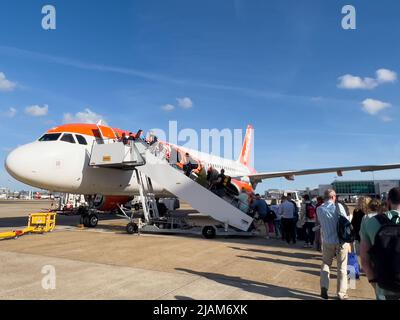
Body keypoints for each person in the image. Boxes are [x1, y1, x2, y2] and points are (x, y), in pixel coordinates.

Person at [360, 187, 400, 300]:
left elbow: (364, 261)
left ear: (388, 201)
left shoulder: (371, 222)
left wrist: (375, 284)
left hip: (385, 288)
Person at [317, 189, 349, 300]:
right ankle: (341, 293)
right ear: (333, 197)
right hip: (340, 241)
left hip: (327, 241)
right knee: (342, 268)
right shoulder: (338, 206)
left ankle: (324, 287)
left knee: (326, 264)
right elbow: (346, 222)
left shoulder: (319, 209)